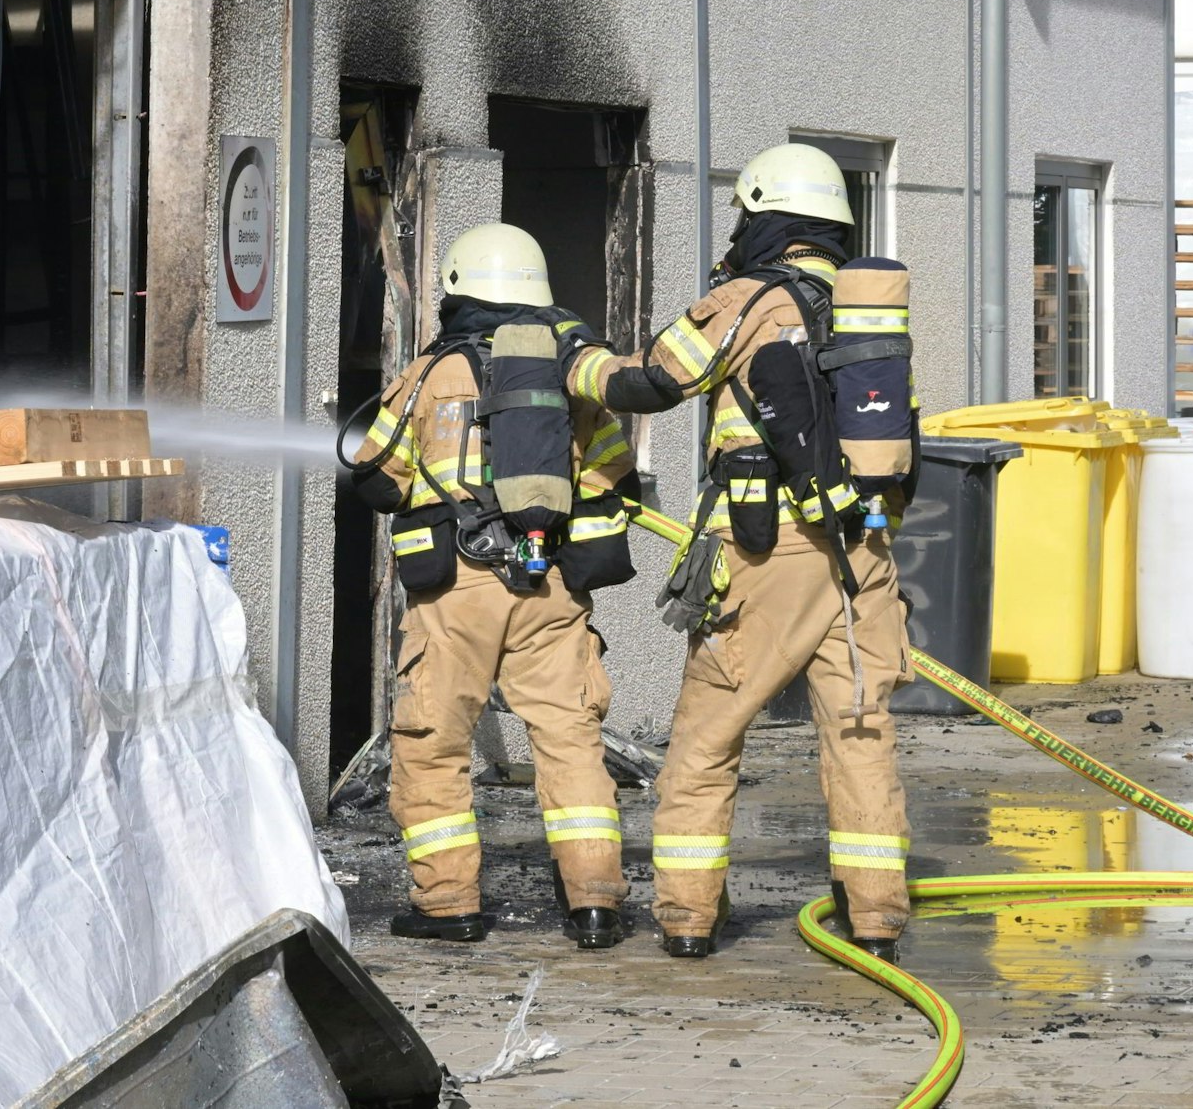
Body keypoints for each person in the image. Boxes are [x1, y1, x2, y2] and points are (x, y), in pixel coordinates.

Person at [563, 143, 917, 964]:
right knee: (859, 732)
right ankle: (874, 917)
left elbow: (651, 382)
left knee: (707, 735)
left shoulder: (748, 298)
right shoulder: (863, 306)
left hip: (769, 554)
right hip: (861, 550)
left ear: (762, 216)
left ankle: (687, 916)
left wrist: (575, 366)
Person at [343, 223, 641, 949]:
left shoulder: (432, 374)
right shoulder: (566, 374)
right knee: (569, 739)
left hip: (457, 591)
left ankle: (447, 906)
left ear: (456, 288)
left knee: (432, 743)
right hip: (551, 590)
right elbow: (614, 474)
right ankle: (595, 903)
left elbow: (379, 476)